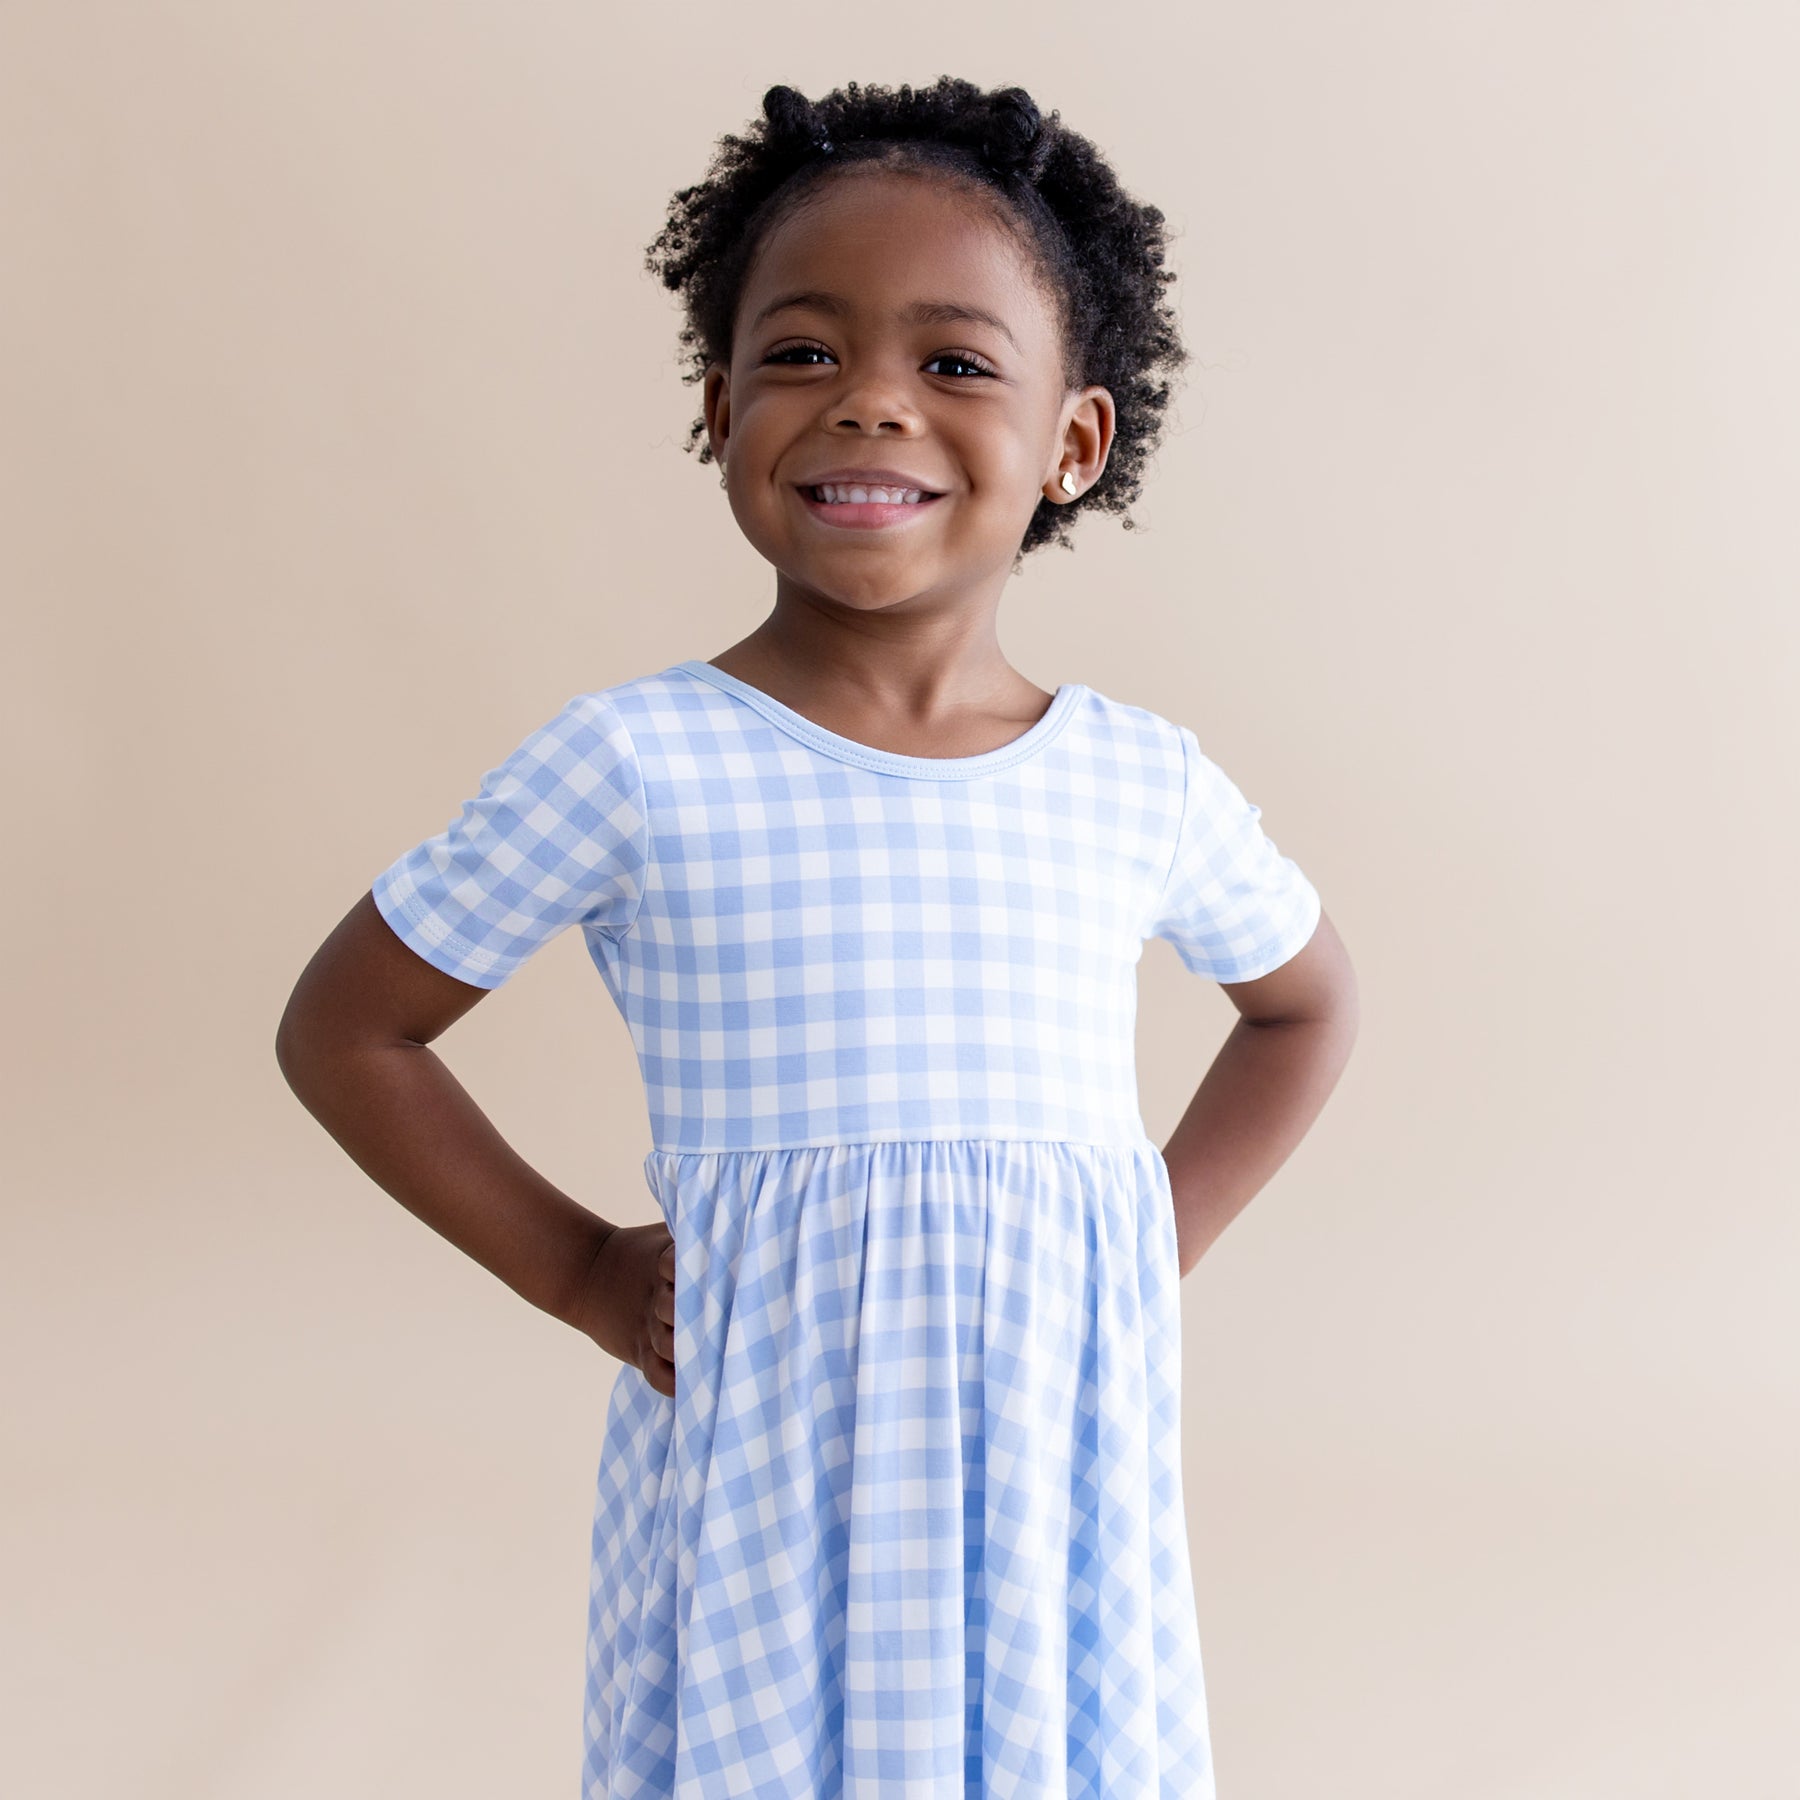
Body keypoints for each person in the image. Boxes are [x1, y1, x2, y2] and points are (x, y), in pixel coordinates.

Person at [276, 75, 1359, 1800]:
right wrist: (579, 1271)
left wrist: (1147, 1247)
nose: (868, 404)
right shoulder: (635, 762)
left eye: (951, 363)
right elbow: (347, 1029)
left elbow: (1303, 1007)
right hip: (765, 1460)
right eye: (800, 355)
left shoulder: (1134, 782)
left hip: (1046, 1478)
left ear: (1073, 441)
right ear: (716, 411)